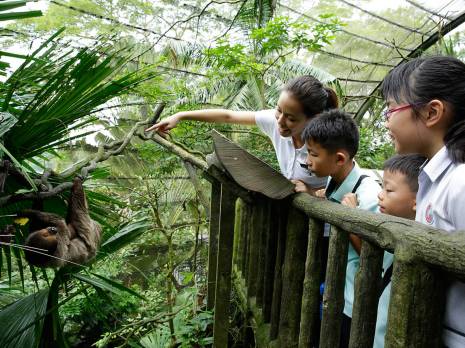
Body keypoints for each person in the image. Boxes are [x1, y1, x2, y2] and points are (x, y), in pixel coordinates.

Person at [381, 55, 465, 347]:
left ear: (432, 112)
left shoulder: (460, 182)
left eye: (391, 109)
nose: (387, 120)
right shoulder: (432, 176)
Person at [145, 75, 338, 192]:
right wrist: (181, 115)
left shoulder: (328, 142)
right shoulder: (275, 121)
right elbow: (229, 116)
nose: (279, 121)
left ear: (314, 119)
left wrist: (314, 192)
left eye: (291, 119)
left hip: (329, 226)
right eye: (278, 110)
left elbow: (348, 181)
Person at [301, 109, 381, 347]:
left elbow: (374, 257)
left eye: (313, 154)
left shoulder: (368, 196)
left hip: (357, 304)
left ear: (339, 159)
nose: (307, 161)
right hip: (338, 292)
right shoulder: (332, 179)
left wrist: (351, 219)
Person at [342, 154, 426, 347]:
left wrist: (353, 218)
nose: (380, 195)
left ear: (416, 201)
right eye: (382, 188)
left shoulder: (411, 238)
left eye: (388, 190)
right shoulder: (395, 229)